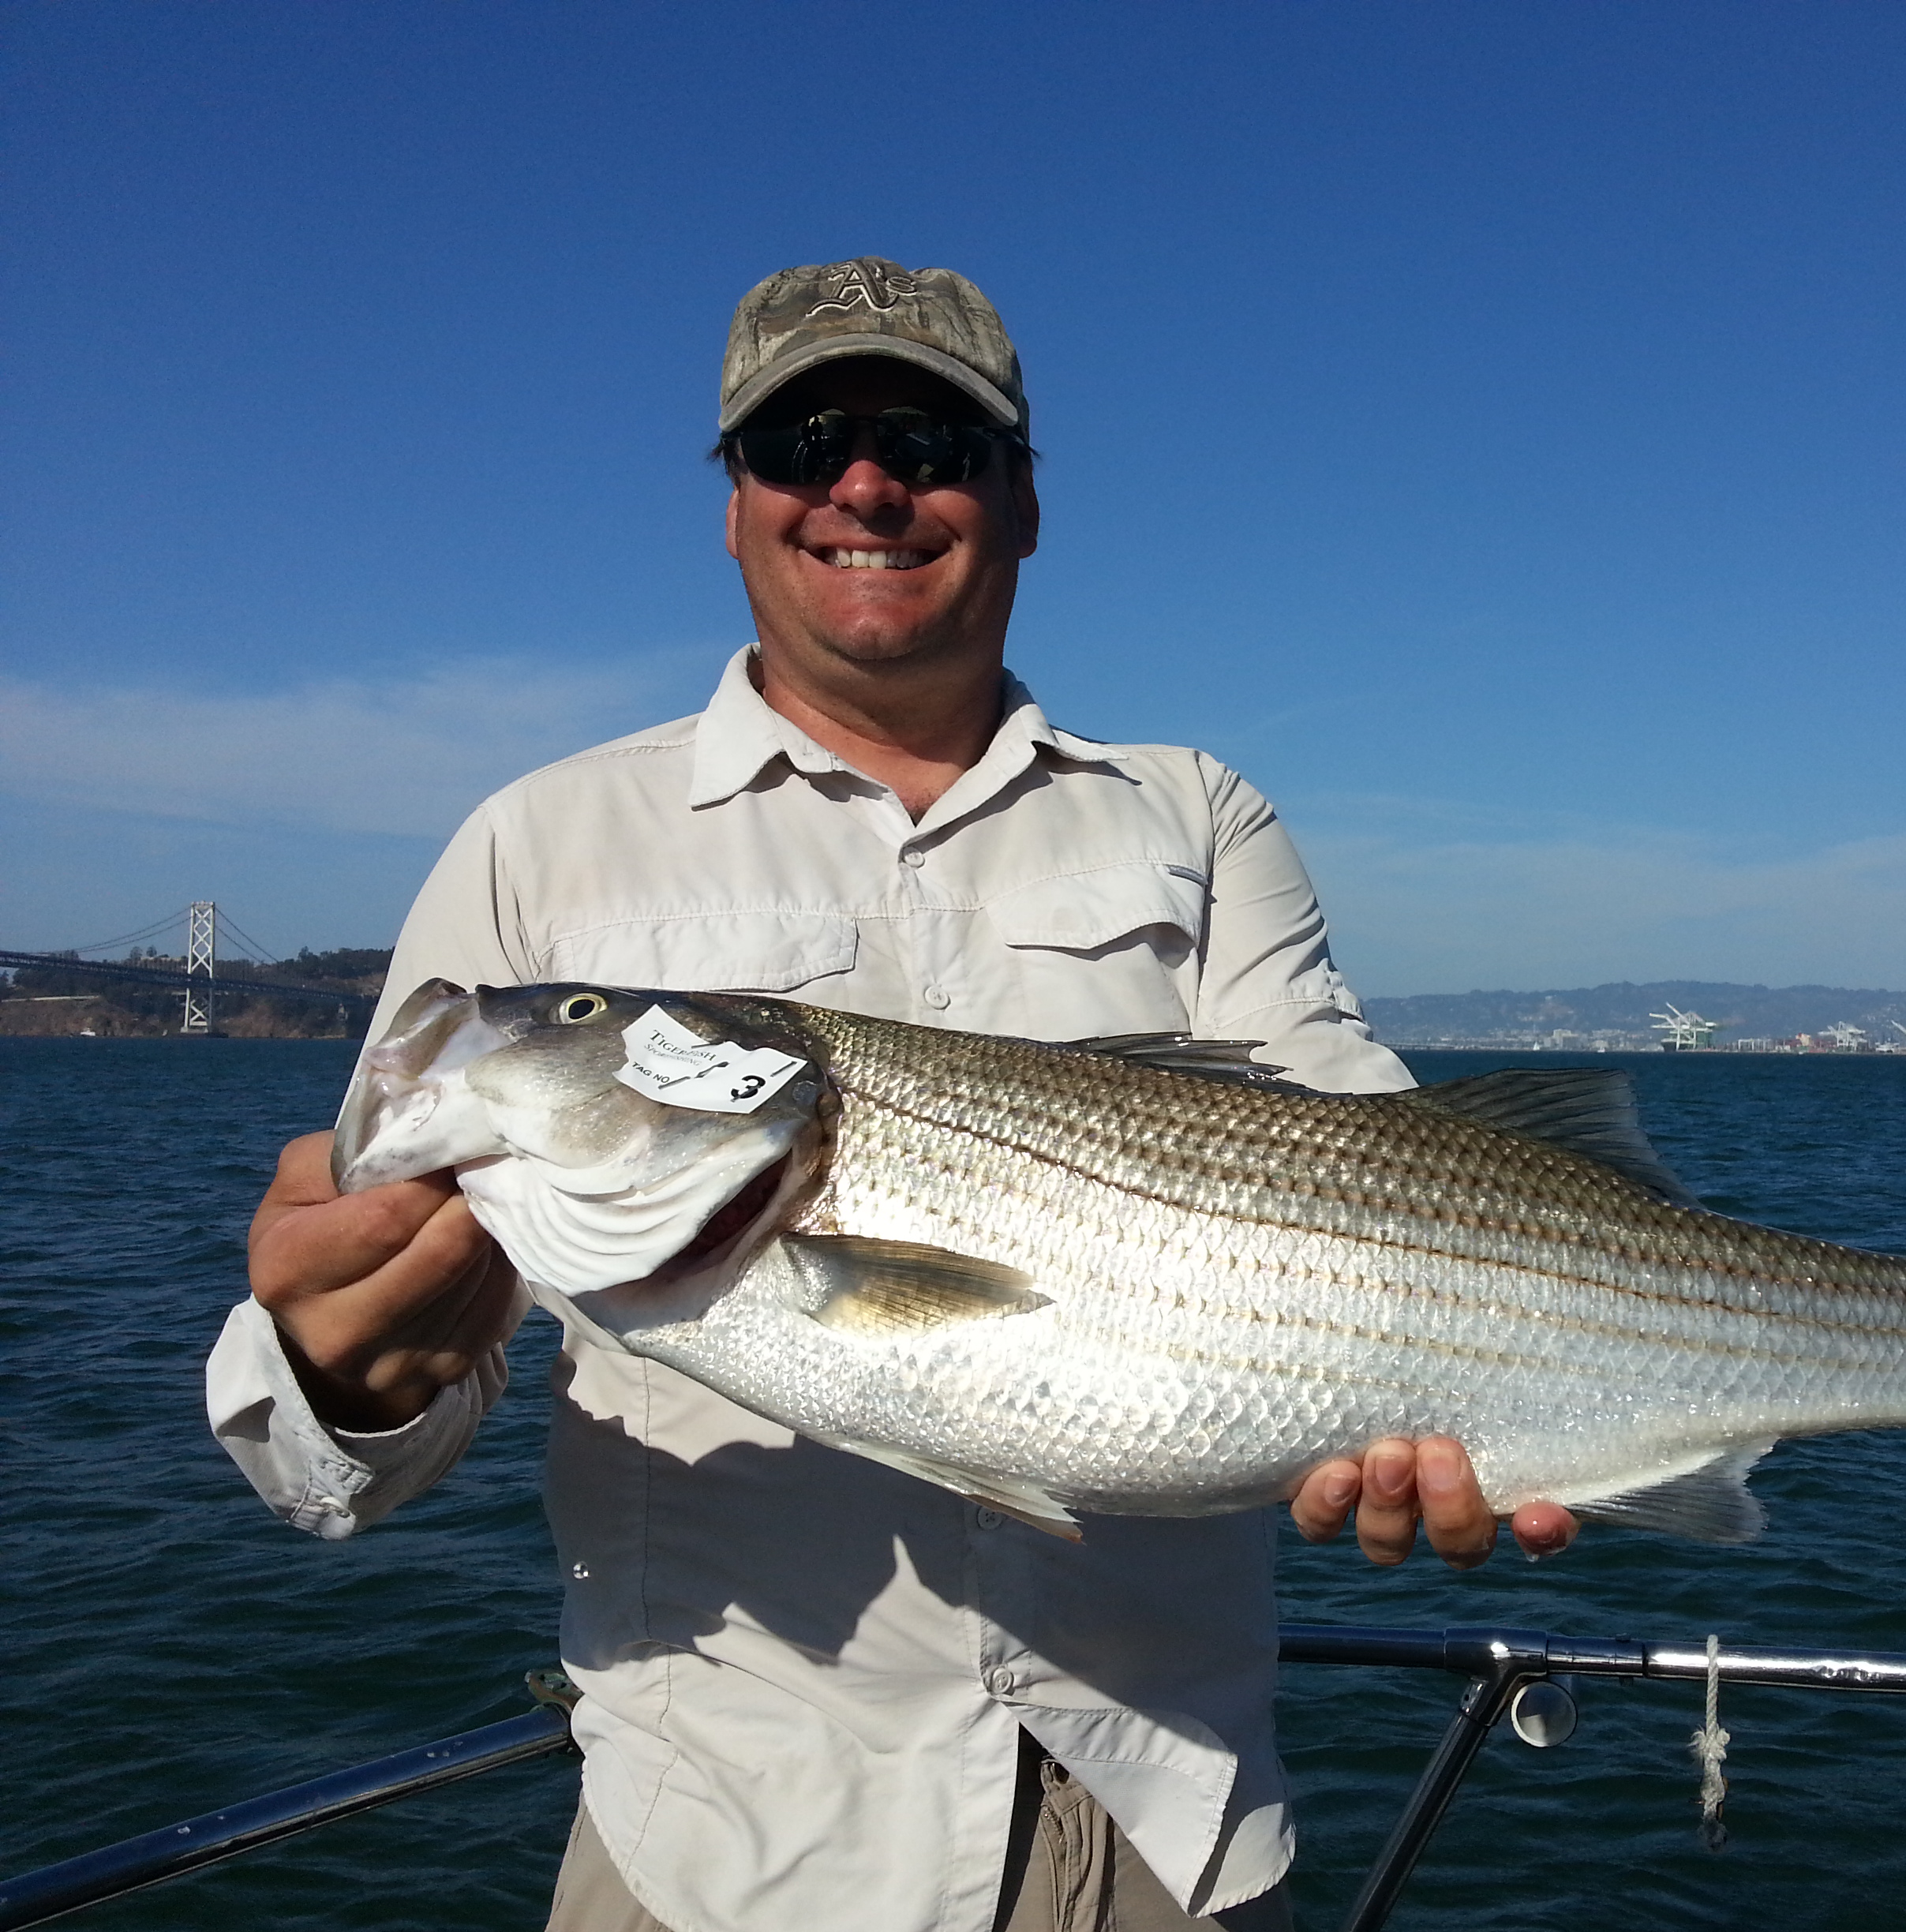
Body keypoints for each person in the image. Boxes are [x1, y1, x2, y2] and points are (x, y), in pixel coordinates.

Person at [207, 257, 1576, 1932]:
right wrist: (348, 1379)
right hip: (721, 1845)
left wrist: (1454, 1400)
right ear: (734, 506)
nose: (866, 480)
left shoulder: (1200, 815)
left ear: (1021, 503)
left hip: (1162, 1826)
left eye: (930, 438)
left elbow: (1381, 1169)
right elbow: (318, 1465)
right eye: (804, 437)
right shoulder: (536, 843)